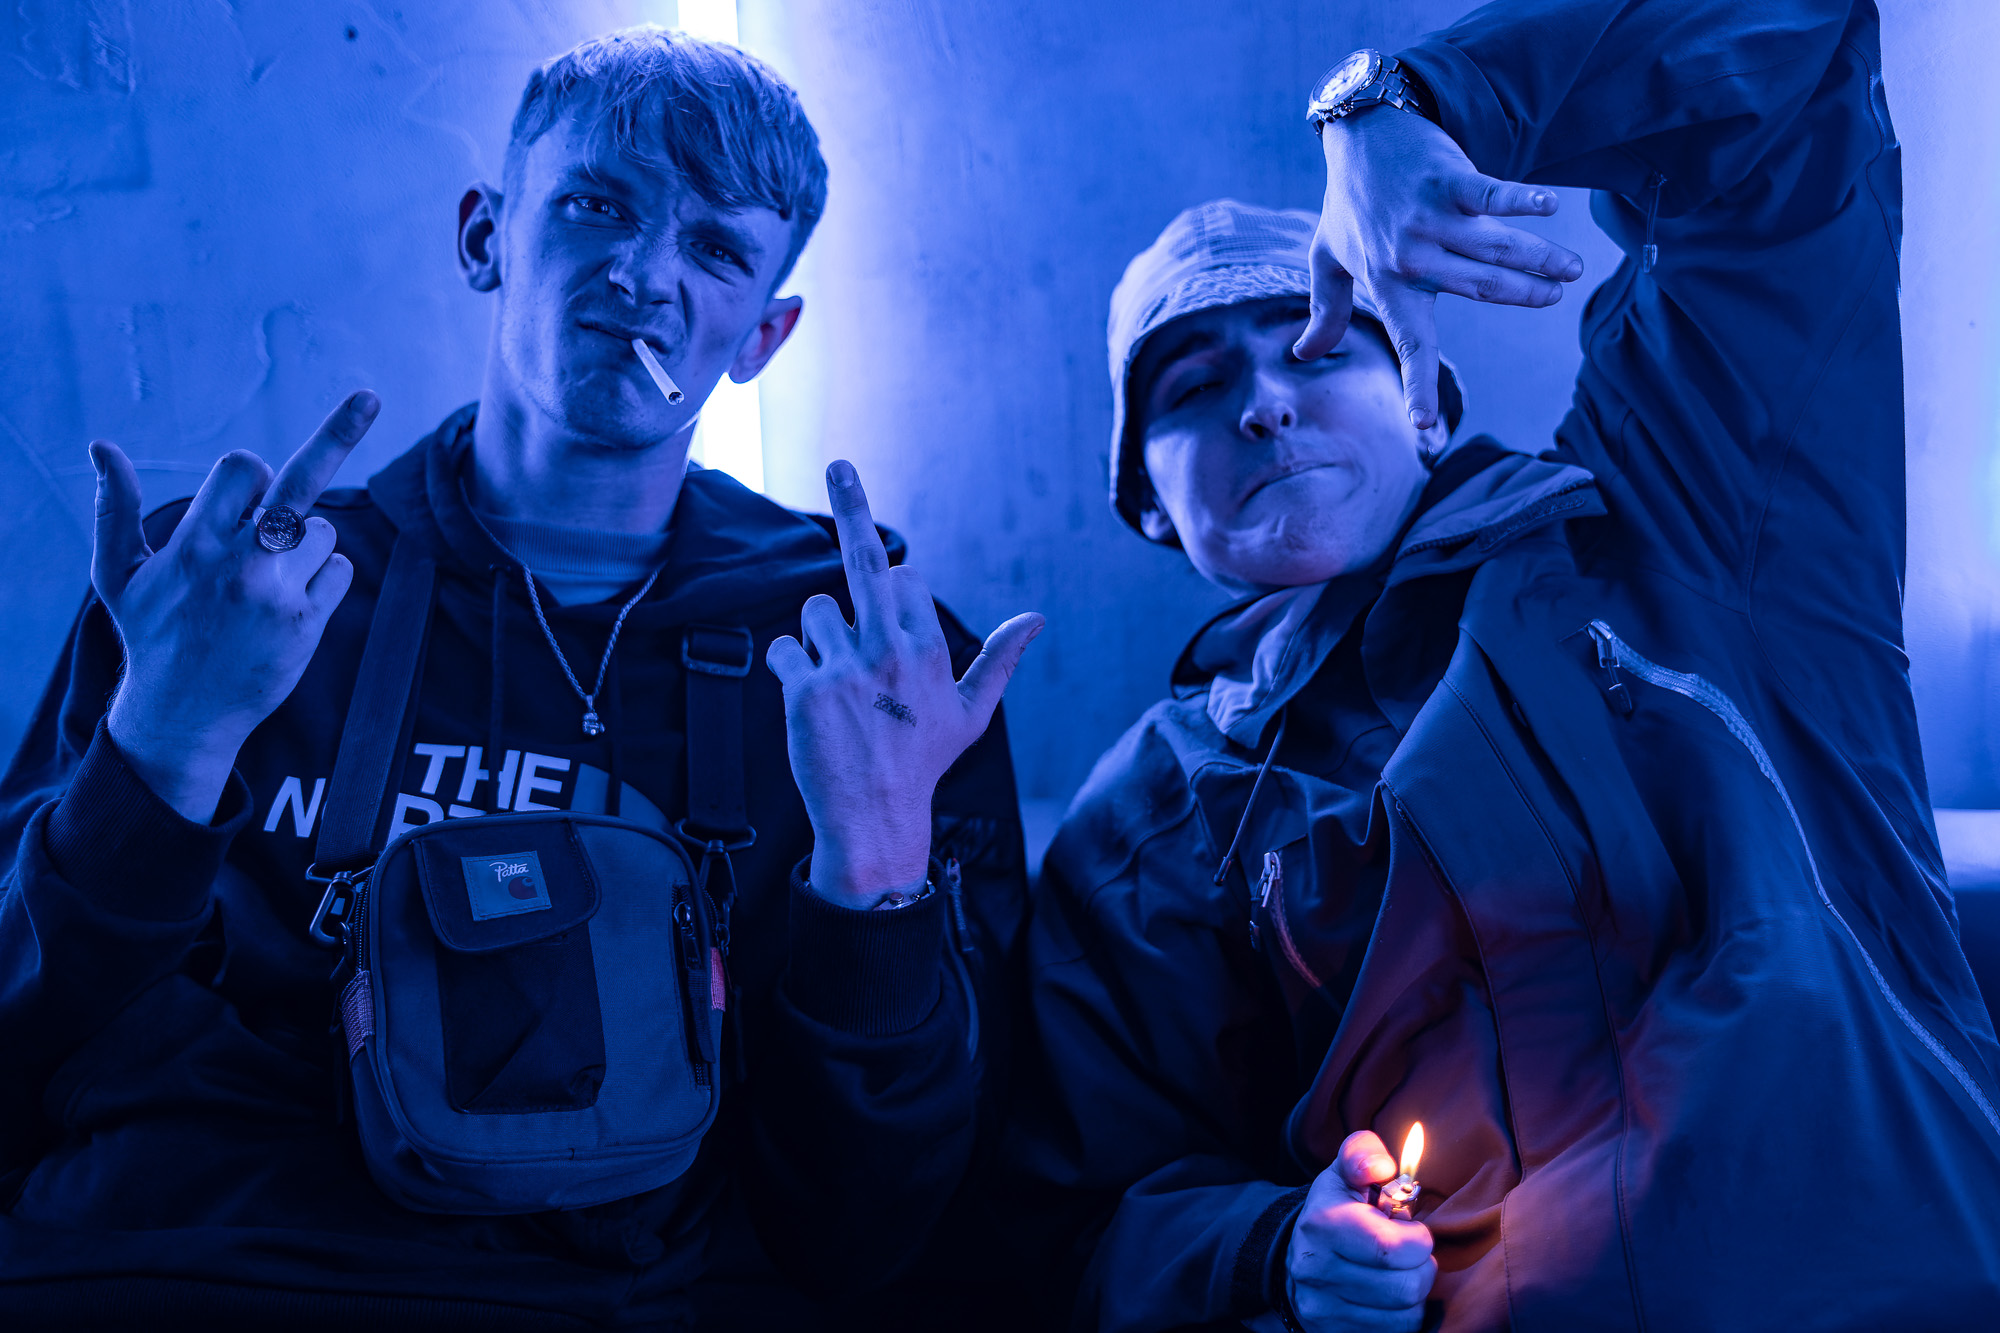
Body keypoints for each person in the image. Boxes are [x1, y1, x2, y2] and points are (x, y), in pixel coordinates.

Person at [0, 27, 1039, 1330]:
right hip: (167, 1273)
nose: (644, 275)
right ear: (487, 236)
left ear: (765, 335)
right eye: (598, 205)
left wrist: (874, 866)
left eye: (718, 249)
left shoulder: (868, 662)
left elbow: (874, 1236)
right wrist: (160, 750)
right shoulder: (220, 590)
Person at [1016, 1, 2000, 1328]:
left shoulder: (1695, 516)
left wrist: (1408, 103)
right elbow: (1080, 1226)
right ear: (1149, 503)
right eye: (1192, 387)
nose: (1263, 399)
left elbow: (1797, 68)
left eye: (1320, 340)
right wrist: (1273, 1248)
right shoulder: (1146, 825)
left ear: (1426, 395)